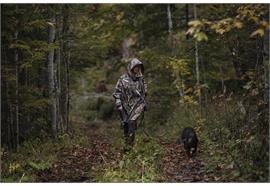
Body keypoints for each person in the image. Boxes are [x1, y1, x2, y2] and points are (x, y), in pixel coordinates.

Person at [112, 58, 147, 151]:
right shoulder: (123, 79)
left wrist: (142, 102)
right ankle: (126, 145)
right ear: (131, 67)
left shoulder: (141, 79)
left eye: (139, 67)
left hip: (137, 105)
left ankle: (129, 148)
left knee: (132, 124)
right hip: (125, 106)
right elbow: (116, 92)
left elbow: (144, 92)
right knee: (126, 126)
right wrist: (118, 102)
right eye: (136, 67)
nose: (137, 69)